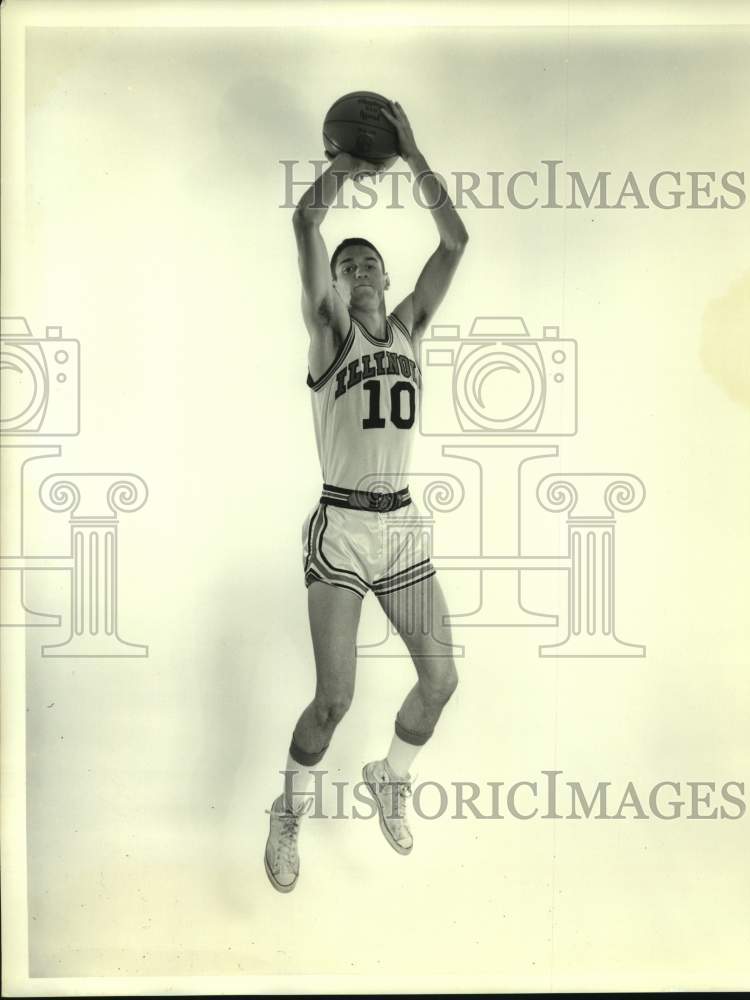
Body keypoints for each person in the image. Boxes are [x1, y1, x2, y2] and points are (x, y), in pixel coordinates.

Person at [265, 101, 469, 892]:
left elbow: (454, 242)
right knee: (334, 699)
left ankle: (392, 773)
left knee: (443, 681)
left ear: (386, 276)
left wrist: (412, 151)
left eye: (366, 263)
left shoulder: (412, 326)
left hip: (403, 530)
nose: (354, 271)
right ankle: (288, 814)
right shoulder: (327, 333)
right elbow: (305, 225)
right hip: (343, 528)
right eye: (344, 266)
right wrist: (348, 163)